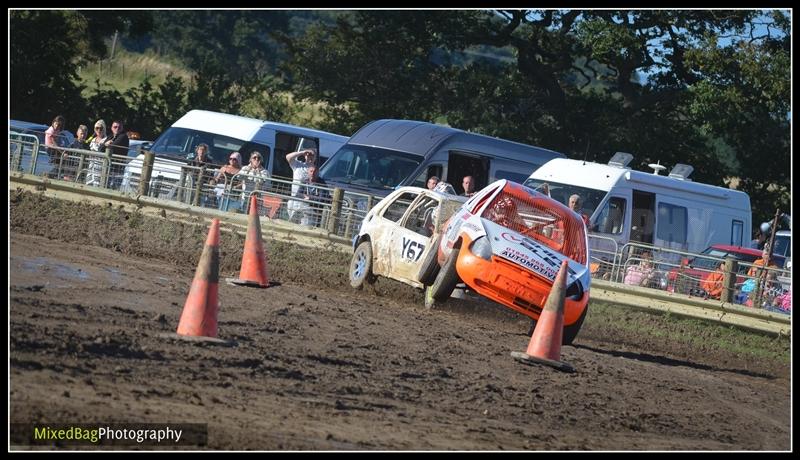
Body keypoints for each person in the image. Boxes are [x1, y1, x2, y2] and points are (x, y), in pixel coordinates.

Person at [286, 148, 318, 222]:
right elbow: (288, 157)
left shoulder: (315, 170)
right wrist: (302, 152)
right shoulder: (298, 165)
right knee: (291, 223)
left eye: (312, 155)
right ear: (305, 156)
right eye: (308, 154)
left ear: (315, 157)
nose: (310, 156)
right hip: (294, 200)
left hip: (306, 203)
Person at [103, 120, 130, 189]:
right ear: (112, 128)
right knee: (104, 186)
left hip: (117, 169)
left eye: (119, 127)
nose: (117, 128)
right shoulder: (110, 136)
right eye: (115, 127)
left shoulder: (123, 137)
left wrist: (106, 144)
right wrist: (106, 144)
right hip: (108, 168)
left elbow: (113, 146)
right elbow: (100, 148)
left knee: (113, 188)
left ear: (122, 128)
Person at [85, 119, 108, 186]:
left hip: (100, 168)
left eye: (101, 128)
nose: (99, 130)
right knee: (88, 185)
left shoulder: (106, 139)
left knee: (97, 186)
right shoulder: (92, 139)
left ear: (104, 129)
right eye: (97, 128)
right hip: (91, 167)